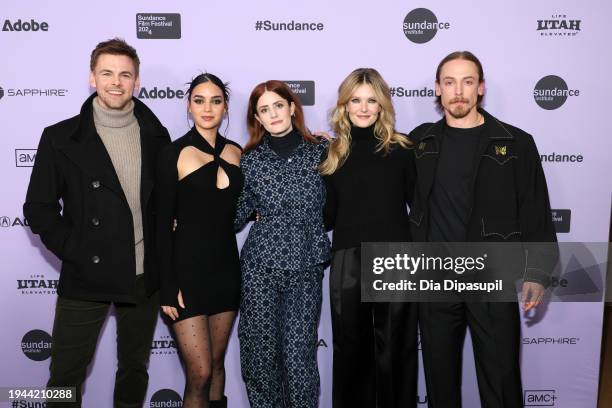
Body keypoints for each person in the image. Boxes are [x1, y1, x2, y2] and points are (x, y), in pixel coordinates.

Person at [23, 38, 170, 407]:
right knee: (65, 376)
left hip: (142, 278)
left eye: (125, 74)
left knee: (134, 369)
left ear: (137, 82)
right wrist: (75, 249)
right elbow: (38, 207)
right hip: (86, 276)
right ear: (92, 78)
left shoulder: (157, 136)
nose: (116, 82)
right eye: (107, 73)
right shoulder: (59, 137)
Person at [408, 51, 557, 408]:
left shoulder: (517, 143)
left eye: (467, 81)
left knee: (501, 377)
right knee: (439, 381)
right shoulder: (417, 142)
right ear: (438, 90)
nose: (458, 91)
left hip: (493, 277)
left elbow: (536, 211)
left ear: (481, 88)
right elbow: (374, 170)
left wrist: (537, 271)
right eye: (449, 82)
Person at [320, 68, 418, 408]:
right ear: (344, 105)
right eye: (355, 100)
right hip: (347, 260)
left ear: (382, 106)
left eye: (371, 100)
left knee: (395, 351)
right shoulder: (331, 154)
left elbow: (419, 208)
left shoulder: (404, 150)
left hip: (394, 259)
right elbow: (327, 217)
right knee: (350, 354)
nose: (363, 108)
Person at [234, 80, 331, 407]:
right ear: (257, 119)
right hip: (259, 267)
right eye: (264, 109)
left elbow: (344, 198)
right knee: (260, 356)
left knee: (300, 356)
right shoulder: (249, 160)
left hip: (305, 266)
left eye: (278, 105)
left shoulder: (321, 150)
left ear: (292, 108)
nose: (273, 114)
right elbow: (236, 215)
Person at [156, 73, 242, 408]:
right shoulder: (172, 153)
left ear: (225, 107)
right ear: (189, 105)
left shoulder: (238, 153)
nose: (208, 108)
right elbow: (161, 225)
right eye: (199, 100)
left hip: (226, 272)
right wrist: (167, 285)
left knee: (218, 367)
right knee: (200, 373)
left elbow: (252, 201)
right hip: (187, 275)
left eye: (216, 101)